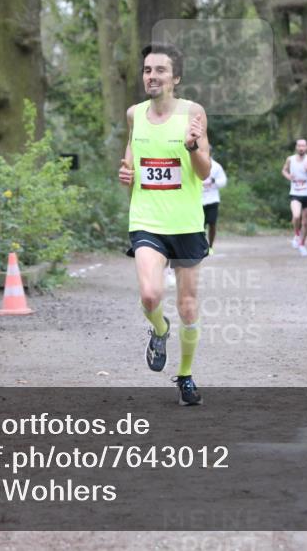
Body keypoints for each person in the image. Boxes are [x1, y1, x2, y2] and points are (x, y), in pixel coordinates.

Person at [118, 42, 210, 405]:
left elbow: (203, 172)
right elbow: (131, 157)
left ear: (176, 77)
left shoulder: (193, 113)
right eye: (147, 70)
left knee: (188, 305)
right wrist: (126, 173)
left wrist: (192, 148)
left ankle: (185, 375)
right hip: (147, 220)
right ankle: (160, 329)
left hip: (186, 223)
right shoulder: (134, 114)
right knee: (150, 295)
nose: (151, 76)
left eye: (159, 70)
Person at [281, 138, 307, 257]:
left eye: (303, 146)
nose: (301, 148)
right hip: (295, 193)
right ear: (296, 147)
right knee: (296, 215)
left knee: (305, 222)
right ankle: (297, 235)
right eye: (299, 146)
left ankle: (302, 244)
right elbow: (284, 170)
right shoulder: (290, 159)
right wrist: (289, 176)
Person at [201, 148, 227, 252]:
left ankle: (210, 246)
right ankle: (201, 246)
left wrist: (214, 180)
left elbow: (223, 181)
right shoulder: (195, 163)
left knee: (212, 223)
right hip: (199, 200)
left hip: (212, 200)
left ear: (211, 153)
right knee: (199, 226)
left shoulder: (216, 166)